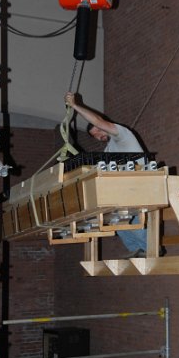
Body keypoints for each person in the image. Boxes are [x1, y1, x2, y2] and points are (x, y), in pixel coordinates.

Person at [64, 92, 148, 256]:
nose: (99, 136)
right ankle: (136, 249)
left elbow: (98, 121)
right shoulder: (108, 150)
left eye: (98, 131)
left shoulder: (121, 134)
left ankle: (149, 247)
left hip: (139, 183)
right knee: (113, 217)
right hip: (122, 188)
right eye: (95, 136)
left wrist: (75, 106)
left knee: (130, 216)